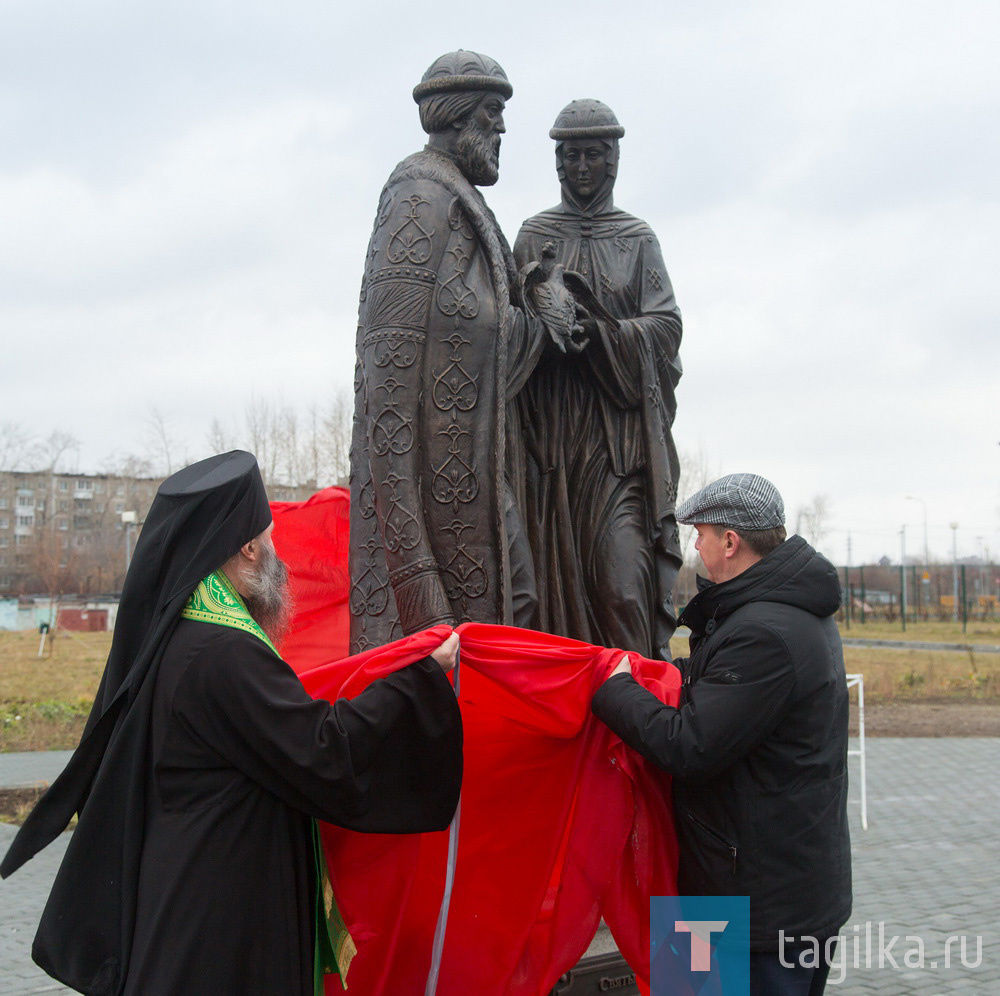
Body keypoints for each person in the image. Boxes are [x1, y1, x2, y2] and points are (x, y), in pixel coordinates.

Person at [1, 451, 463, 995]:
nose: (276, 553)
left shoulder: (181, 636)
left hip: (190, 897)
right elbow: (323, 752)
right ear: (247, 546)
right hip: (219, 923)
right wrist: (419, 681)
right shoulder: (223, 651)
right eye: (268, 537)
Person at [591, 473, 852, 994]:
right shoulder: (782, 615)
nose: (696, 545)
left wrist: (614, 691)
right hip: (763, 886)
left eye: (701, 534)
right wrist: (664, 675)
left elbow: (690, 745)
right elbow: (725, 694)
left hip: (747, 909)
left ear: (730, 542)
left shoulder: (763, 632)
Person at [349, 50, 544, 654]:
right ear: (458, 116)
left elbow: (486, 334)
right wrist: (416, 583)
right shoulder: (418, 200)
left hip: (478, 486)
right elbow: (387, 388)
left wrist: (538, 310)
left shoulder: (462, 200)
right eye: (493, 112)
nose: (504, 128)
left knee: (520, 615)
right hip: (434, 526)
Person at [512, 99, 683, 660]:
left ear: (613, 160)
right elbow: (507, 330)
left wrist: (602, 331)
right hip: (552, 450)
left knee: (622, 588)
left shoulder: (637, 240)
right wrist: (542, 316)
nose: (580, 167)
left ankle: (638, 725)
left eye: (592, 154)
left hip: (617, 450)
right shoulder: (534, 234)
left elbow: (666, 326)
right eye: (569, 155)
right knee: (547, 602)